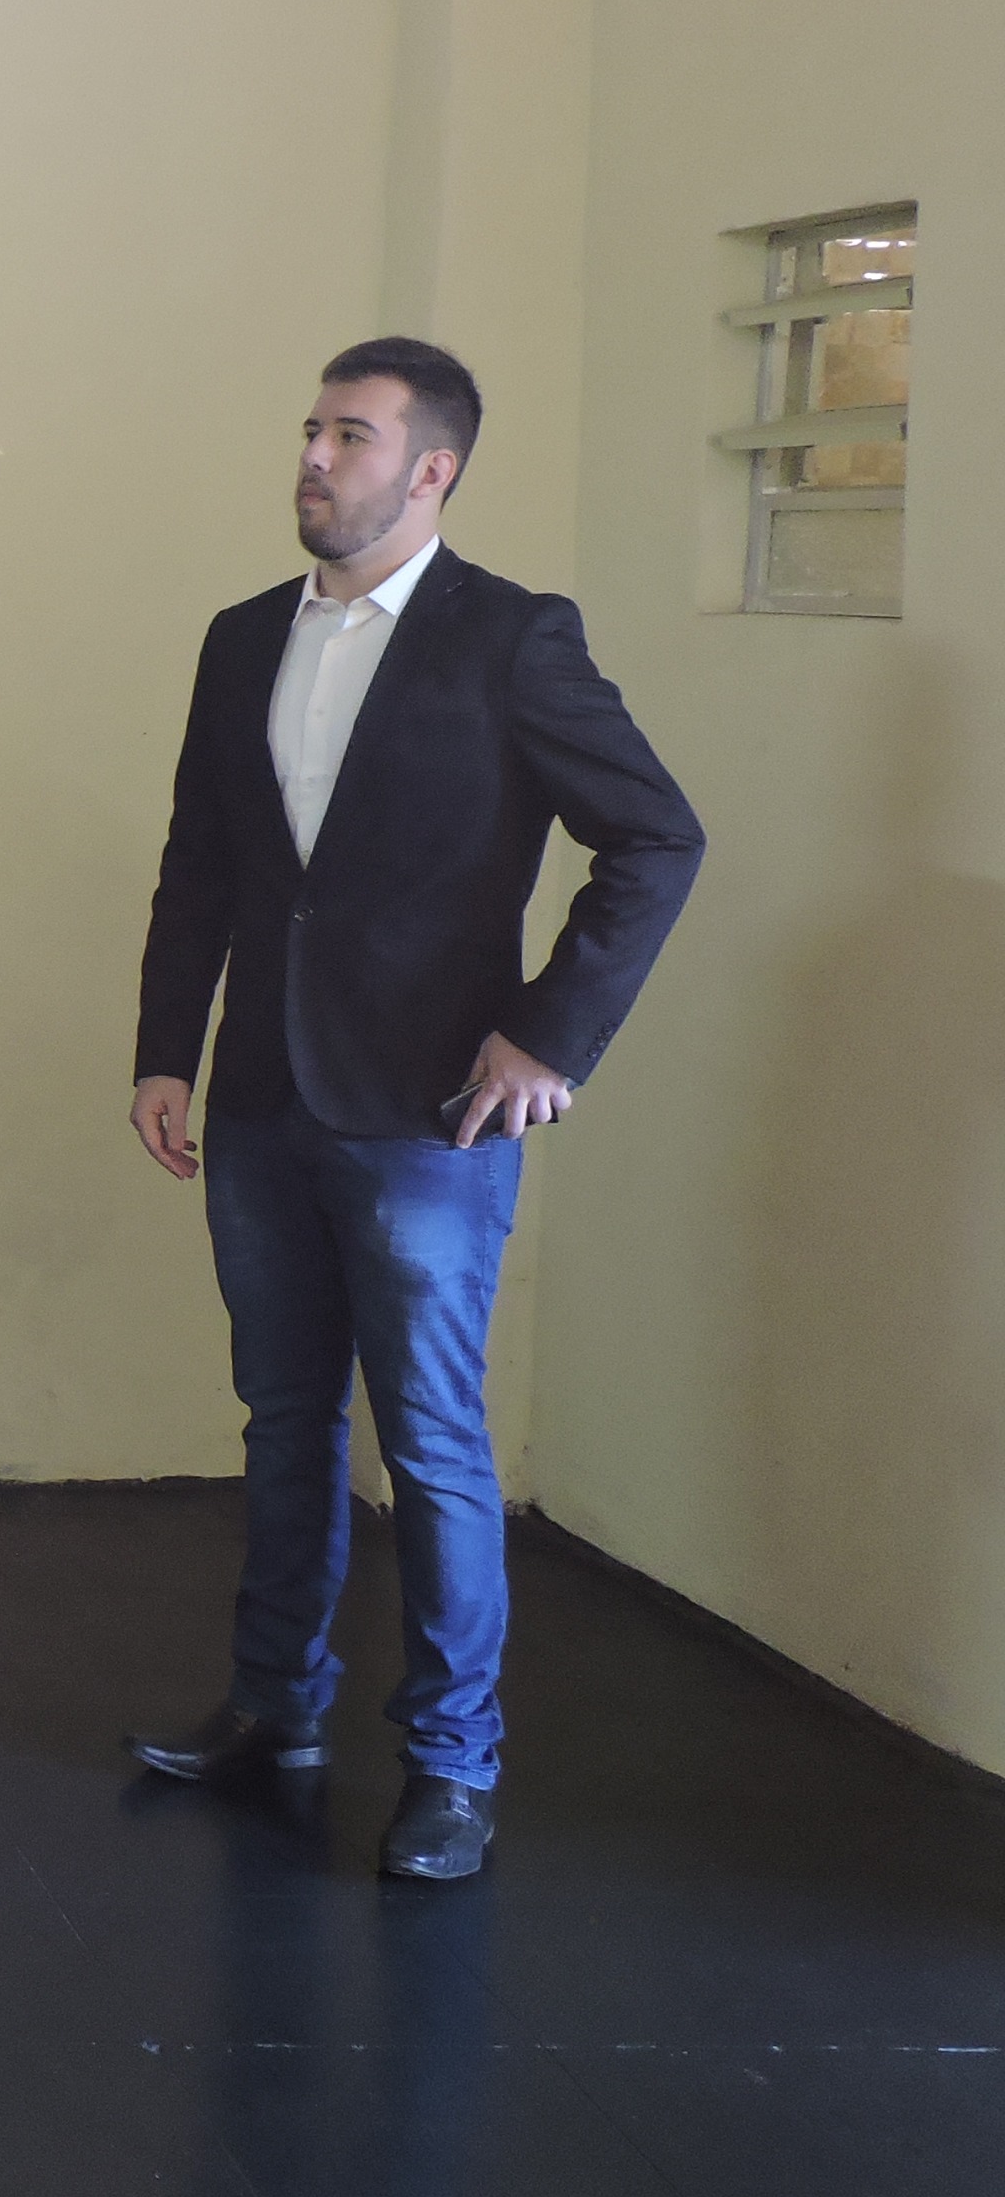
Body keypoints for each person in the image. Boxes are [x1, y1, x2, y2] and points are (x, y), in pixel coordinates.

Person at [124, 337, 702, 1881]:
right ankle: (276, 1709)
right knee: (285, 1422)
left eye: (352, 436)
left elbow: (656, 838)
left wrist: (548, 1035)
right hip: (260, 1097)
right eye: (312, 430)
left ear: (431, 468)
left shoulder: (510, 638)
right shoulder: (243, 637)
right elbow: (201, 861)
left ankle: (452, 1763)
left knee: (434, 1445)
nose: (315, 458)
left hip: (427, 1114)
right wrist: (166, 1048)